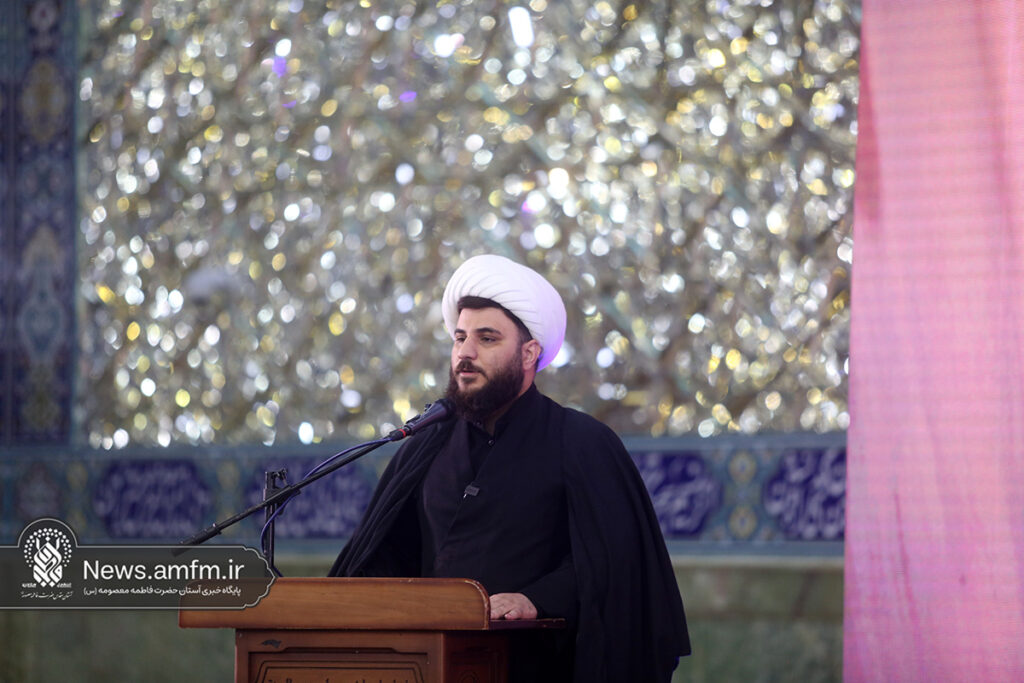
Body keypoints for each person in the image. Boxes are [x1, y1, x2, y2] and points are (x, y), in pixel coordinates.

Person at [329, 254, 690, 682]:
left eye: (487, 339)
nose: (465, 353)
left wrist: (536, 598)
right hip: (427, 665)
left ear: (528, 353)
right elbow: (386, 555)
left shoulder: (581, 443)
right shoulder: (427, 443)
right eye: (460, 338)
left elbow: (614, 565)